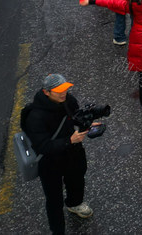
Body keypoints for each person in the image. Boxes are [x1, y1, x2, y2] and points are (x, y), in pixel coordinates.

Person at [25, 74, 94, 234]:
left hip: (72, 153)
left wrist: (87, 123)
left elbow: (75, 117)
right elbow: (42, 146)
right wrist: (69, 140)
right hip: (50, 162)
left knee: (77, 180)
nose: (64, 93)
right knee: (54, 198)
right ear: (46, 92)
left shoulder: (68, 100)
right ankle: (57, 230)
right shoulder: (35, 116)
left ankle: (74, 204)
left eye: (65, 89)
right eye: (59, 91)